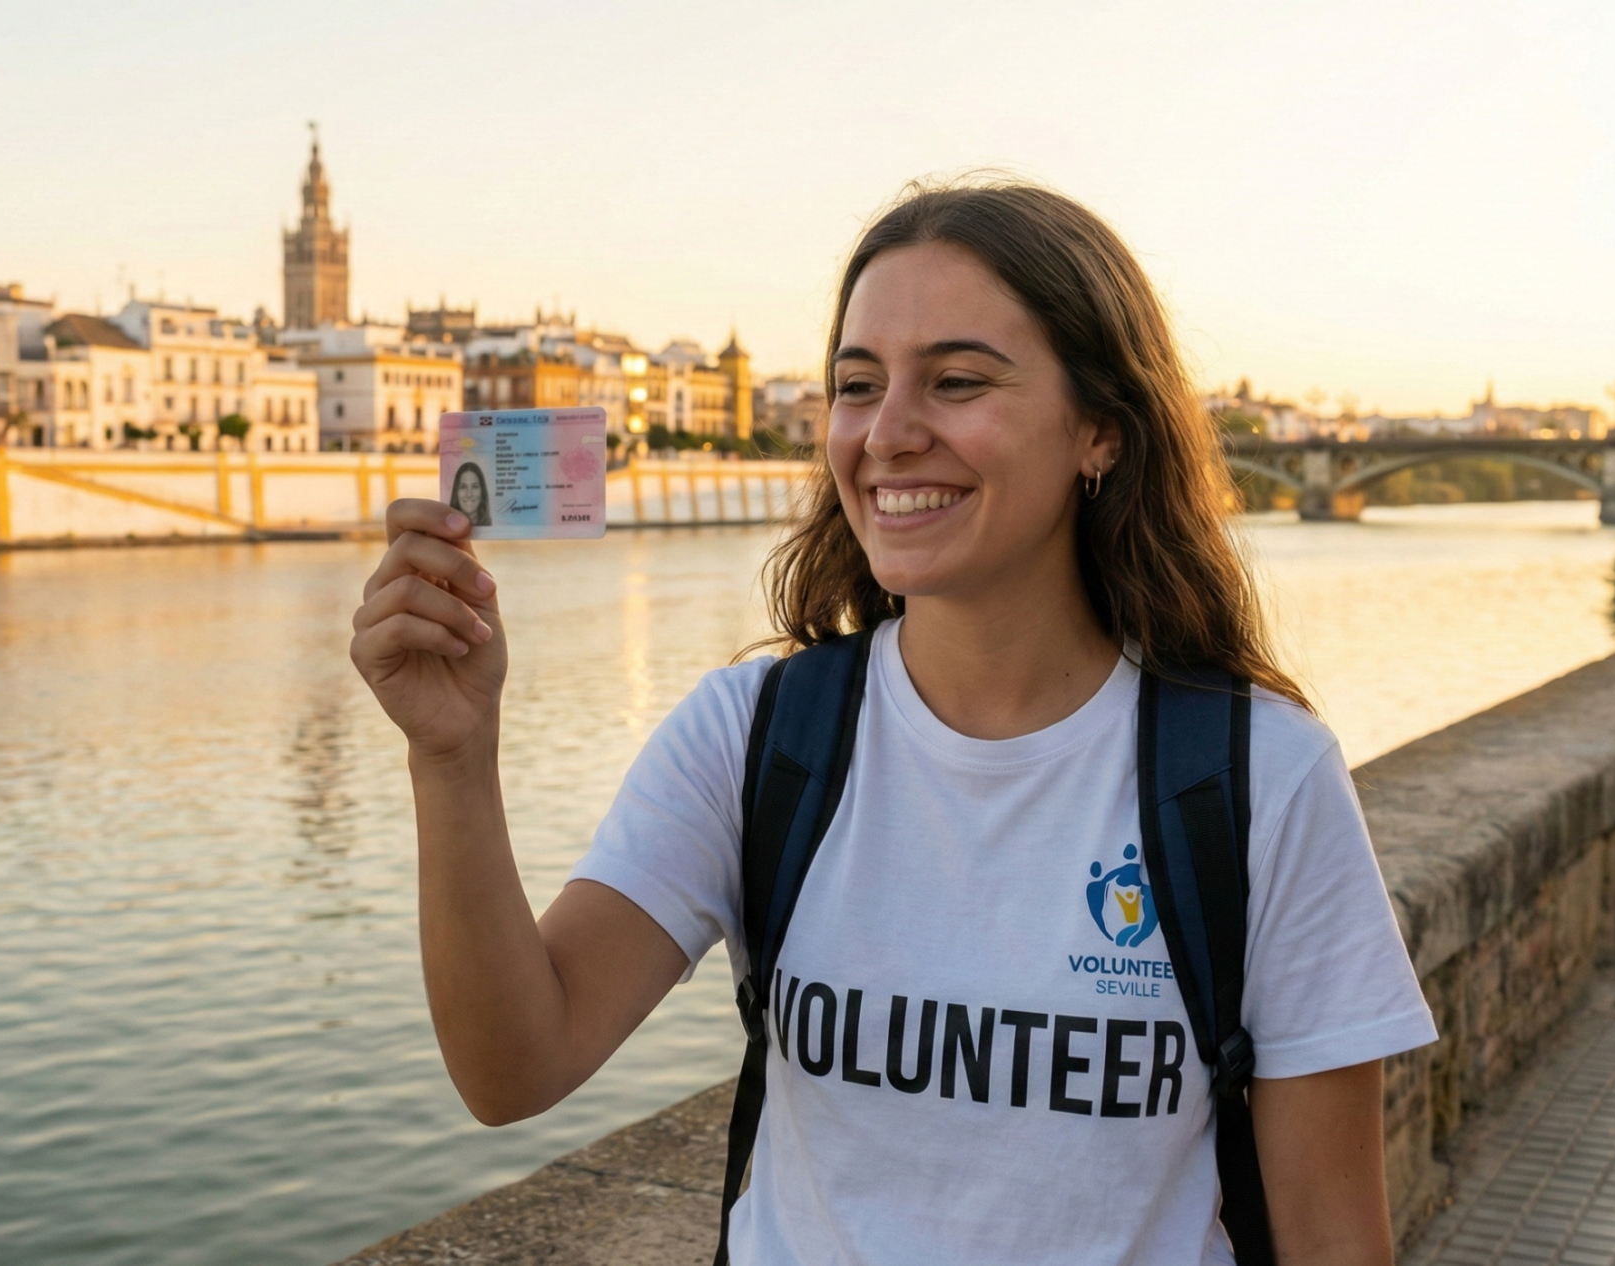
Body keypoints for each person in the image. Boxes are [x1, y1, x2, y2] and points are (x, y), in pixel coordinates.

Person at [351, 180, 1436, 1265]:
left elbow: (1333, 1241)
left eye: (956, 381)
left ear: (1100, 430)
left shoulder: (1256, 777)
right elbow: (513, 1069)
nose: (888, 434)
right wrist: (453, 758)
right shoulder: (751, 736)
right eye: (857, 386)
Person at [448, 461, 491, 527]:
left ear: (482, 491)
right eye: (463, 487)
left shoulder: (493, 529)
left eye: (474, 487)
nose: (469, 494)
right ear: (456, 492)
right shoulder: (446, 527)